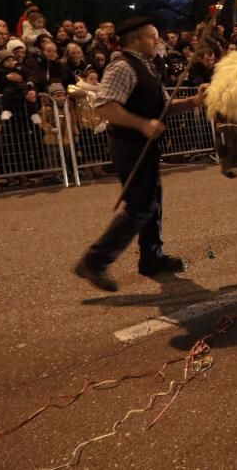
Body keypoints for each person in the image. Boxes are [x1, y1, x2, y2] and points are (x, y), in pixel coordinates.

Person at [74, 16, 208, 292]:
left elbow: (162, 107)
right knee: (140, 206)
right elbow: (105, 106)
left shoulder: (145, 66)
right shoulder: (122, 66)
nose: (157, 41)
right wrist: (142, 124)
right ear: (135, 40)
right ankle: (95, 261)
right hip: (128, 145)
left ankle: (151, 258)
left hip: (143, 145)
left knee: (152, 201)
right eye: (152, 36)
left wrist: (194, 101)